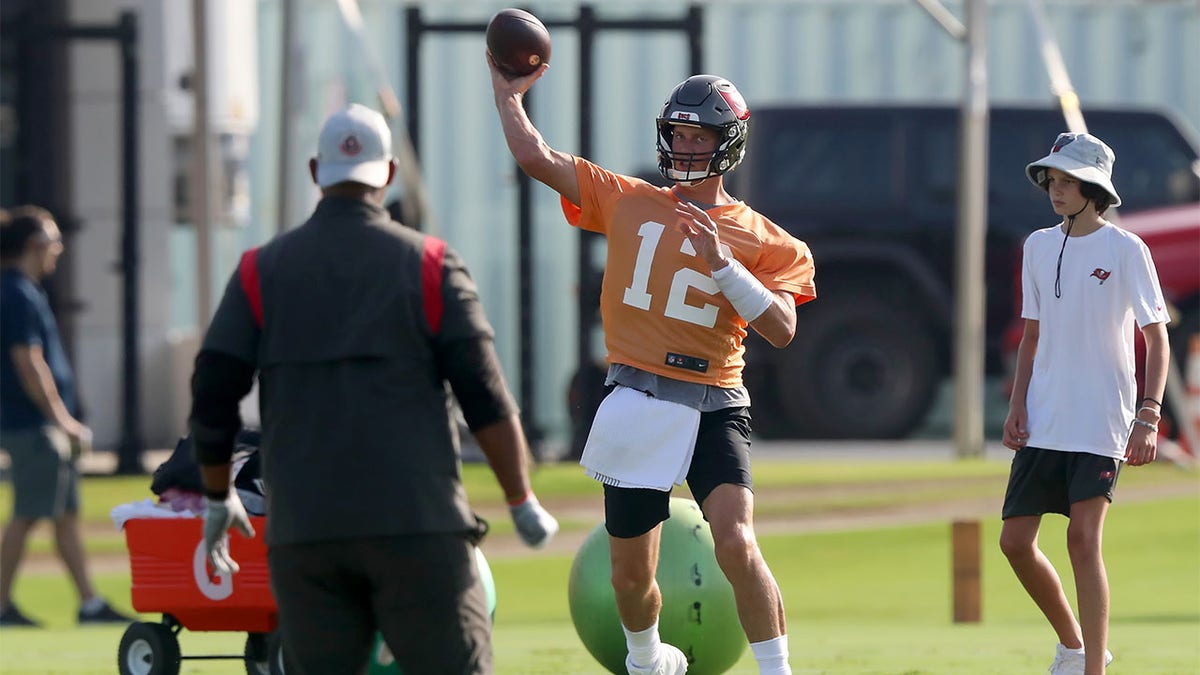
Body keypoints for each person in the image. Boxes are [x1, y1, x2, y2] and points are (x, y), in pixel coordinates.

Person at [189, 103, 559, 674]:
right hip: (417, 523)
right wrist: (521, 500)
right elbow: (484, 393)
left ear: (317, 172)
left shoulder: (258, 271)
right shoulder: (432, 264)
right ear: (387, 176)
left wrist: (218, 496)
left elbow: (212, 391)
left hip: (306, 532)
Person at [490, 61, 815, 675]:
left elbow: (782, 328)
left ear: (729, 144)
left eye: (700, 137)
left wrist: (725, 267)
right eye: (680, 134)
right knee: (629, 576)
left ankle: (778, 669)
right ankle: (646, 658)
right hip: (638, 396)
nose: (686, 147)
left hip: (716, 398)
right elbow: (537, 158)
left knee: (737, 541)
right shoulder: (628, 200)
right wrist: (507, 96)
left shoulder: (766, 239)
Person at [1000, 132, 1170, 675]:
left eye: (1068, 179)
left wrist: (1149, 415)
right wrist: (1016, 405)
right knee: (1014, 542)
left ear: (1095, 187)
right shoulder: (1036, 245)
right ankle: (1073, 647)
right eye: (1052, 178)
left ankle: (1093, 667)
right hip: (1044, 417)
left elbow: (1157, 337)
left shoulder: (1127, 249)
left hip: (1102, 419)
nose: (1056, 187)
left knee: (1081, 538)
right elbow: (1031, 334)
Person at [0, 205, 135, 628]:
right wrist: (61, 418)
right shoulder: (17, 292)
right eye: (55, 241)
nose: (59, 250)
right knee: (28, 514)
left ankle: (89, 603)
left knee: (65, 516)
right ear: (36, 245)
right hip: (32, 424)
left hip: (37, 424)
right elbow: (28, 361)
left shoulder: (23, 290)